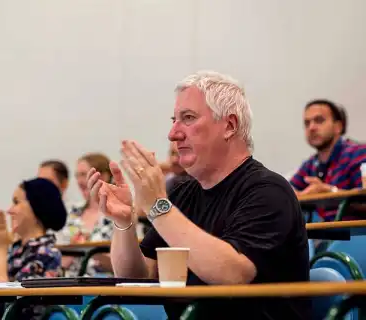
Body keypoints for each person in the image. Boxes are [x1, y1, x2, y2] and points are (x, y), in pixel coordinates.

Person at [87, 71, 311, 319]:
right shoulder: (184, 193)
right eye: (174, 120)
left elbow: (232, 276)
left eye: (188, 118)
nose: (173, 134)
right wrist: (123, 222)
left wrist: (157, 206)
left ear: (230, 126)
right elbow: (139, 275)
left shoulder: (268, 191)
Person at [0, 178, 67, 320]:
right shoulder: (16, 250)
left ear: (37, 206)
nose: (9, 210)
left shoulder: (48, 255)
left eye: (16, 202)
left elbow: (5, 308)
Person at [290, 99, 366, 221]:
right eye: (307, 123)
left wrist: (332, 194)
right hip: (324, 236)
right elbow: (288, 188)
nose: (312, 127)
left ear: (338, 127)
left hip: (355, 234)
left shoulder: (359, 154)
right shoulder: (310, 164)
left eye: (319, 120)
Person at [57, 153, 117, 276]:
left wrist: (94, 254)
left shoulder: (118, 213)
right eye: (77, 176)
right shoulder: (72, 212)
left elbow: (128, 263)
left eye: (84, 175)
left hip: (105, 287)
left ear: (104, 176)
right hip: (68, 286)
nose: (79, 181)